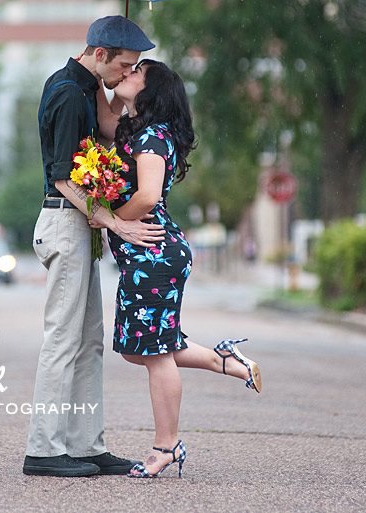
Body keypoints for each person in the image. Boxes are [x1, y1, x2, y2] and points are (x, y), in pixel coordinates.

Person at [23, 16, 166, 479]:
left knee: (89, 343)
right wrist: (116, 227)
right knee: (62, 340)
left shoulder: (88, 89)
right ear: (99, 54)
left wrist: (120, 97)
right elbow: (63, 177)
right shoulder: (67, 92)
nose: (128, 75)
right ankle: (44, 450)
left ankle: (87, 444)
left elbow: (107, 133)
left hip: (78, 225)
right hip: (65, 221)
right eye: (124, 66)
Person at [105, 59, 262, 478]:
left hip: (153, 255)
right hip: (148, 256)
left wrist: (112, 216)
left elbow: (149, 195)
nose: (127, 74)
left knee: (153, 355)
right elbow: (107, 113)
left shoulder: (153, 138)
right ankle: (223, 360)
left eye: (136, 72)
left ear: (150, 91)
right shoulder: (137, 130)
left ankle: (166, 446)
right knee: (138, 349)